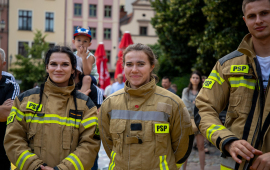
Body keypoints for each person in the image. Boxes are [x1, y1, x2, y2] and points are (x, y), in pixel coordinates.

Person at [195, 0, 270, 169]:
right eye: (252, 16)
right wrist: (227, 141)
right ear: (245, 21)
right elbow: (203, 108)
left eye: (264, 13)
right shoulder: (226, 65)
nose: (258, 20)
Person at [99, 43, 194, 170]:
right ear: (123, 67)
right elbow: (108, 143)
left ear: (152, 66)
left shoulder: (172, 102)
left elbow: (182, 145)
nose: (134, 70)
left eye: (141, 64)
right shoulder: (109, 103)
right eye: (129, 64)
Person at [4, 46, 100, 170]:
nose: (58, 69)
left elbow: (90, 145)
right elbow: (13, 140)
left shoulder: (86, 105)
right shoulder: (25, 100)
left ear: (73, 69)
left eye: (65, 64)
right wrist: (36, 167)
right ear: (47, 67)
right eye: (53, 64)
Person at [182, 71, 206, 170]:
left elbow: (204, 105)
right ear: (190, 79)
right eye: (193, 77)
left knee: (201, 147)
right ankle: (183, 168)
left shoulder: (203, 91)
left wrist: (195, 104)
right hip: (188, 121)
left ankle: (202, 169)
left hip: (199, 121)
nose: (195, 79)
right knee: (186, 148)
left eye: (197, 78)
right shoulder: (185, 91)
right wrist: (195, 104)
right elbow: (185, 105)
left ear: (200, 80)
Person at [0, 48, 20, 170]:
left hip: (2, 148)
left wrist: (4, 110)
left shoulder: (11, 85)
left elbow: (8, 113)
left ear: (3, 64)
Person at [72, 27, 99, 95]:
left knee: (86, 78)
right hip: (78, 75)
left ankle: (82, 94)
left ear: (89, 44)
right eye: (78, 40)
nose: (81, 43)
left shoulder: (90, 56)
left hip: (90, 77)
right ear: (73, 42)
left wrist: (84, 58)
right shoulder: (72, 55)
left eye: (85, 41)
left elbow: (87, 73)